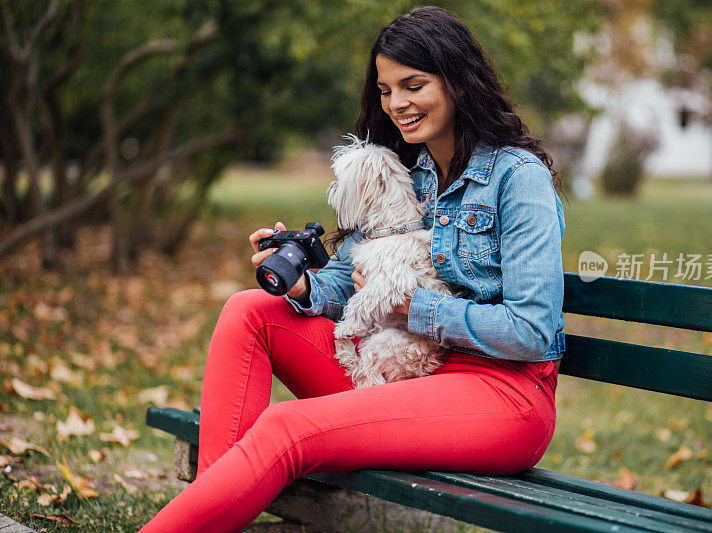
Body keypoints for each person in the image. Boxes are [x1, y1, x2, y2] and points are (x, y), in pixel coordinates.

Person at [140, 6, 565, 532]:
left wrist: (417, 309)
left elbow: (532, 330)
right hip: (401, 368)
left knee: (286, 428)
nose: (397, 105)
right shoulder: (413, 168)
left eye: (413, 86)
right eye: (386, 91)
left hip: (501, 395)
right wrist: (301, 283)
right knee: (251, 310)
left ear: (457, 81)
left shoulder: (517, 180)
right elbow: (350, 281)